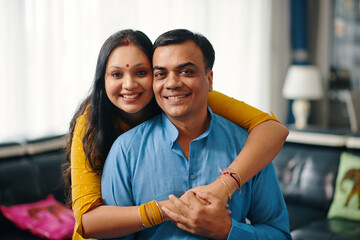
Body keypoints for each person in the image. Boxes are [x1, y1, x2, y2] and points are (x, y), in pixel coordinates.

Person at [63, 29, 289, 240]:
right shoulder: (108, 137)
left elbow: (273, 128)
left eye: (142, 72)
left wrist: (228, 227)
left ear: (209, 80)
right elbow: (88, 221)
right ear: (102, 81)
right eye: (116, 74)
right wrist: (173, 209)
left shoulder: (248, 149)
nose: (129, 84)